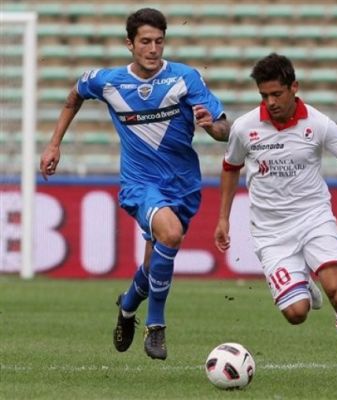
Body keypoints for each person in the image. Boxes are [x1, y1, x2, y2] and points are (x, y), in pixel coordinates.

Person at [39, 8, 230, 360]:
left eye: (159, 41)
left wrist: (211, 126)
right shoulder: (109, 81)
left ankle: (127, 307)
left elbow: (223, 130)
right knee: (171, 234)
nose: (153, 49)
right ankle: (155, 326)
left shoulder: (185, 78)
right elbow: (74, 95)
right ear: (130, 44)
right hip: (140, 184)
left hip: (183, 185)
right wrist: (54, 143)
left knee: (153, 263)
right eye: (145, 41)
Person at [214, 53, 337, 390]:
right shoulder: (245, 128)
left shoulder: (318, 123)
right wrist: (223, 218)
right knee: (297, 314)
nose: (270, 102)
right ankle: (304, 286)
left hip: (315, 219)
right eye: (263, 96)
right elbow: (231, 168)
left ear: (294, 88)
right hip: (271, 232)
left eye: (276, 94)